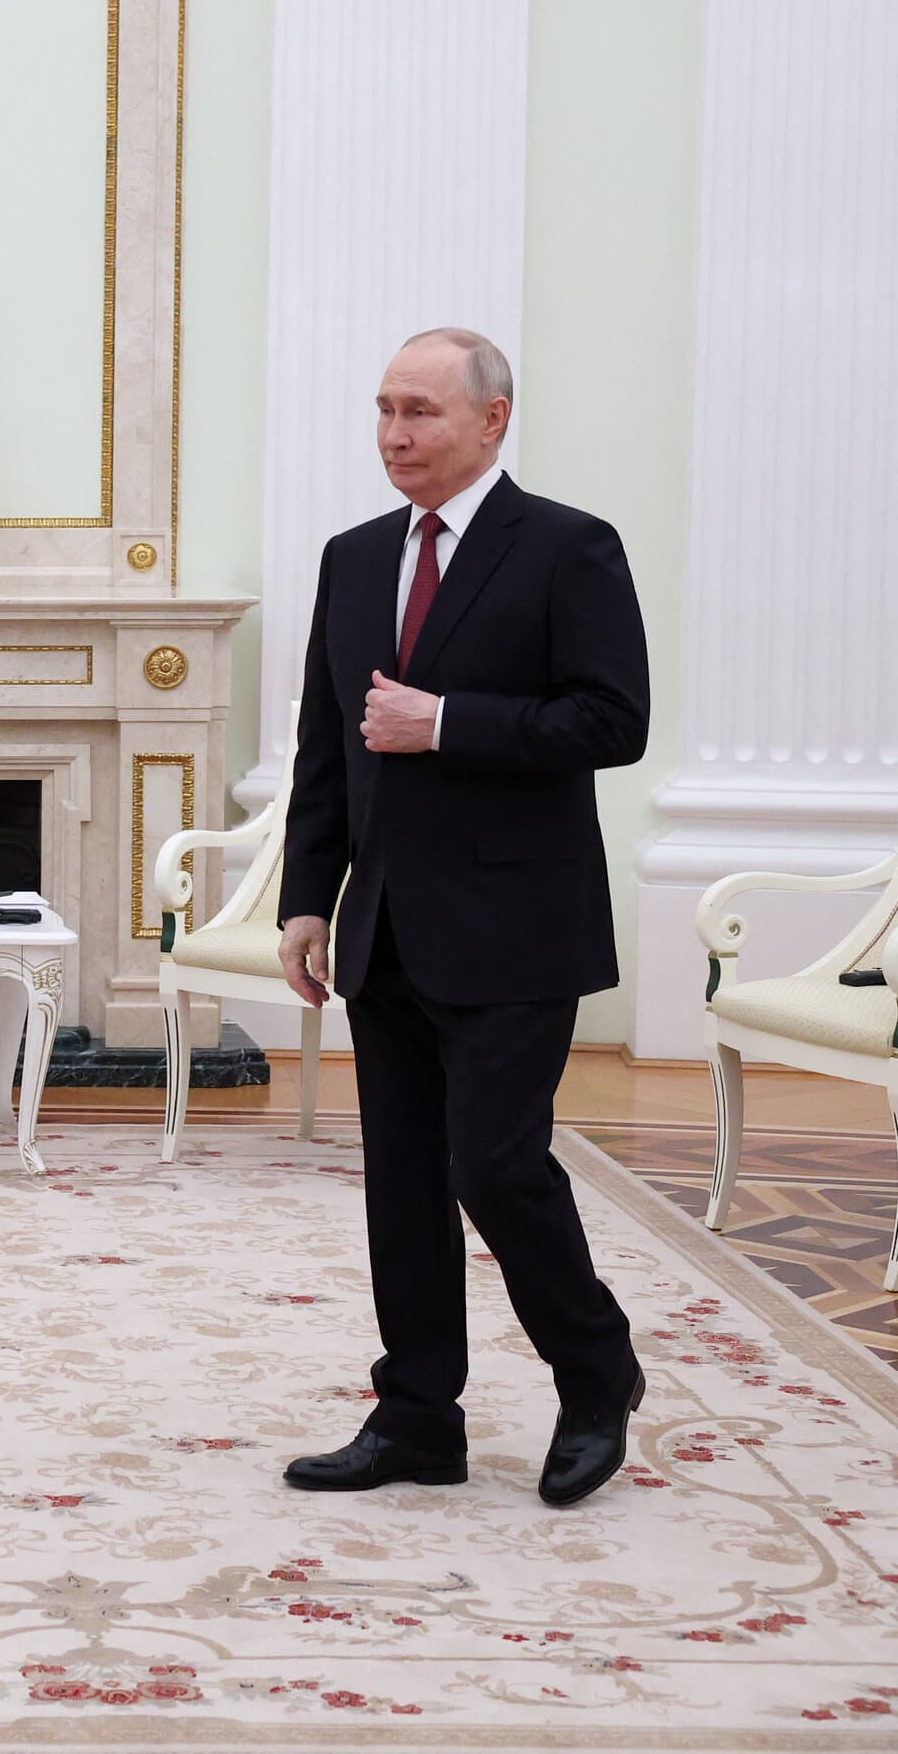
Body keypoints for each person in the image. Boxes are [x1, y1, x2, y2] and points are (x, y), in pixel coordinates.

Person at [276, 327, 650, 1507]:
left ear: (493, 420)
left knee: (494, 1164)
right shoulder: (352, 557)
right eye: (385, 409)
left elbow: (614, 720)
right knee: (401, 1181)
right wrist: (307, 896)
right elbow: (328, 746)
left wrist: (446, 722)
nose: (395, 434)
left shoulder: (569, 547)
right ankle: (418, 1415)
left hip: (518, 923)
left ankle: (597, 1372)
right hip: (385, 924)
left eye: (422, 411)